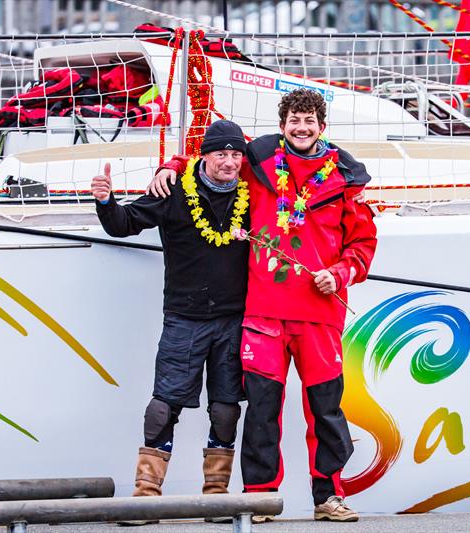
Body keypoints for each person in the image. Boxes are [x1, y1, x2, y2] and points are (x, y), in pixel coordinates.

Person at [150, 89, 378, 522]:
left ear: (322, 126)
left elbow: (363, 244)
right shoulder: (258, 159)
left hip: (320, 316)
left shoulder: (347, 175)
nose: (302, 127)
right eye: (294, 119)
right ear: (283, 124)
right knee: (261, 410)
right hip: (263, 315)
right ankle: (259, 496)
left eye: (310, 120)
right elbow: (215, 154)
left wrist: (342, 273)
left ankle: (328, 497)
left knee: (325, 410)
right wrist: (172, 165)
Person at [91, 120, 250, 506]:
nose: (228, 163)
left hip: (234, 319)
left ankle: (216, 497)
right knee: (163, 408)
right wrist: (105, 200)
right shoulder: (174, 189)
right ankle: (146, 494)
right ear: (205, 155)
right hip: (185, 317)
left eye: (235, 155)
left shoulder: (253, 194)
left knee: (227, 409)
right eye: (220, 154)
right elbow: (124, 224)